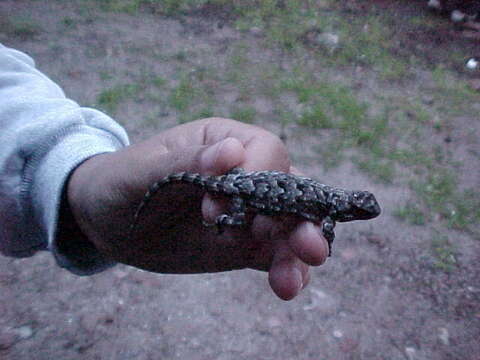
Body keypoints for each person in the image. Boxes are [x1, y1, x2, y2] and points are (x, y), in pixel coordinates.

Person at [0, 43, 329, 301]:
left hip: (246, 186)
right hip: (245, 189)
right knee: (231, 206)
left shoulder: (327, 205)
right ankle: (228, 215)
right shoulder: (326, 213)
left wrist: (75, 180)